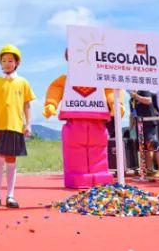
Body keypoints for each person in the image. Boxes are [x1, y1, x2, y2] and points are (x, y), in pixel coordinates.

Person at [43, 50, 124, 188]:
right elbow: (55, 89)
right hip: (75, 121)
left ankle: (99, 175)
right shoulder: (65, 80)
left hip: (97, 121)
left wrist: (116, 103)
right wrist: (51, 104)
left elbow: (111, 90)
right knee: (74, 150)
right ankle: (78, 176)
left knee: (98, 148)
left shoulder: (101, 77)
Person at [0, 44, 35, 208]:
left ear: (17, 63)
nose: (7, 63)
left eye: (10, 60)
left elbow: (27, 105)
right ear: (0, 62)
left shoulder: (23, 82)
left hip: (15, 126)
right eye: (4, 60)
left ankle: (10, 196)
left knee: (11, 160)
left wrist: (28, 124)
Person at [131, 88, 159, 179]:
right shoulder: (132, 98)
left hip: (150, 123)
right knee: (145, 148)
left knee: (154, 146)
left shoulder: (143, 90)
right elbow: (133, 112)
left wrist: (136, 96)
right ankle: (149, 169)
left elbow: (148, 100)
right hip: (140, 124)